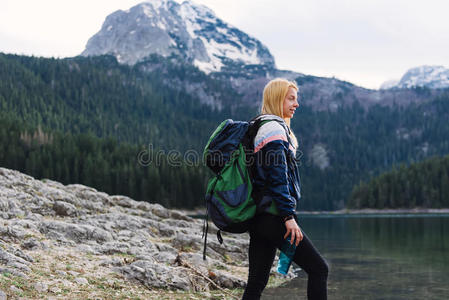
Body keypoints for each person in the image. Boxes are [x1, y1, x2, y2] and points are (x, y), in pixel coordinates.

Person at [242, 78, 329, 300]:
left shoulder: (261, 126)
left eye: (296, 99)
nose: (296, 104)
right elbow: (277, 176)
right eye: (291, 98)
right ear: (277, 99)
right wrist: (288, 215)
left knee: (257, 283)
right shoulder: (273, 129)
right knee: (319, 269)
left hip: (260, 216)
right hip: (274, 215)